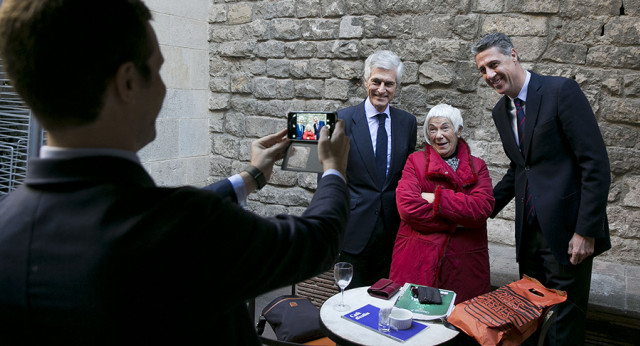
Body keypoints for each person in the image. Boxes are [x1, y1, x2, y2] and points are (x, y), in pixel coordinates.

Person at [0, 0, 350, 345]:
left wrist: (251, 176)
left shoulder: (8, 227)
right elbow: (316, 240)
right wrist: (333, 169)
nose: (164, 89)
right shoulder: (187, 227)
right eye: (158, 70)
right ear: (128, 83)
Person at [472, 33, 611, 345]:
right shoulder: (500, 111)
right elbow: (520, 169)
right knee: (530, 322)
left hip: (568, 234)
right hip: (529, 236)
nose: (489, 74)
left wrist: (585, 230)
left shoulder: (560, 91)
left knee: (564, 327)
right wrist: (479, 208)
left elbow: (595, 164)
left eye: (494, 64)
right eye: (482, 69)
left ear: (514, 56)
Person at [389, 104, 494, 304]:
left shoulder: (478, 166)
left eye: (445, 128)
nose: (438, 135)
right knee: (416, 324)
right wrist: (457, 221)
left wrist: (434, 198)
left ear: (459, 130)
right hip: (418, 260)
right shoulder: (415, 162)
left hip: (464, 265)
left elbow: (481, 209)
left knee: (460, 324)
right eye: (432, 129)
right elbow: (408, 208)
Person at [336, 50, 417, 288]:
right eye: (376, 82)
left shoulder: (407, 122)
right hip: (354, 229)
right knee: (350, 303)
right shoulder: (342, 120)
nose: (382, 89)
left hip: (392, 231)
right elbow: (330, 176)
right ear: (365, 82)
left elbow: (406, 174)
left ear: (396, 86)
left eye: (389, 84)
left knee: (386, 298)